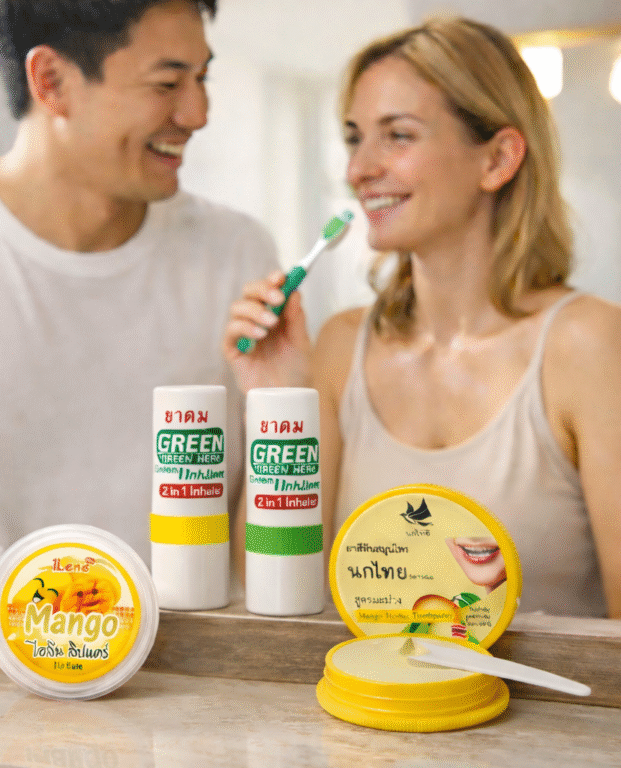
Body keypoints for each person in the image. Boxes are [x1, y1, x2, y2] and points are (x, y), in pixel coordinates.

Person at [0, 0, 278, 565]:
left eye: (201, 78)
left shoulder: (237, 253)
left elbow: (268, 544)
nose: (198, 113)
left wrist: (280, 400)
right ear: (51, 81)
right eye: (168, 83)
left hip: (185, 650)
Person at [223, 16, 621, 618]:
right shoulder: (338, 348)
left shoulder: (588, 345)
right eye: (355, 137)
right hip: (366, 710)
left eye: (398, 136)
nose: (359, 170)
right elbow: (267, 598)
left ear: (498, 159)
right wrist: (278, 406)